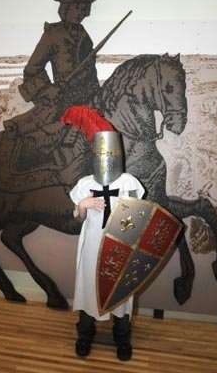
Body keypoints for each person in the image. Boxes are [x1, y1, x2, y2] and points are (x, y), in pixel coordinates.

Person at [69, 130, 145, 361]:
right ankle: (85, 334)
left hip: (121, 245)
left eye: (110, 153)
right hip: (92, 245)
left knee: (120, 289)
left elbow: (138, 215)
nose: (105, 157)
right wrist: (82, 205)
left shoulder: (128, 182)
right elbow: (78, 219)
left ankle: (122, 336)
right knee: (89, 287)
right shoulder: (85, 183)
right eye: (101, 153)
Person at [3, 0, 102, 140]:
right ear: (66, 7)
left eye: (83, 8)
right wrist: (49, 91)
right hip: (61, 99)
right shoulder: (53, 33)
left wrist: (97, 94)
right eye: (76, 7)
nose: (80, 12)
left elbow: (91, 72)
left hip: (88, 97)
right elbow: (32, 69)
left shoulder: (86, 38)